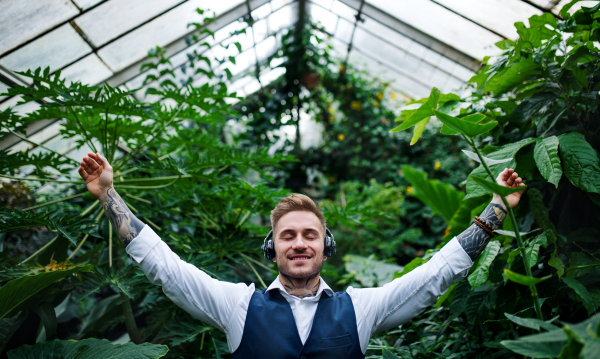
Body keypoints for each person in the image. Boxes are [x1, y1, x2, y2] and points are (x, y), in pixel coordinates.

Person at [78, 152, 525, 358]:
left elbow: (435, 275)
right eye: (287, 235)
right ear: (271, 248)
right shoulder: (237, 306)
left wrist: (496, 209)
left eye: (310, 234)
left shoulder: (361, 309)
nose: (299, 243)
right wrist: (109, 195)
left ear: (325, 246)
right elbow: (165, 267)